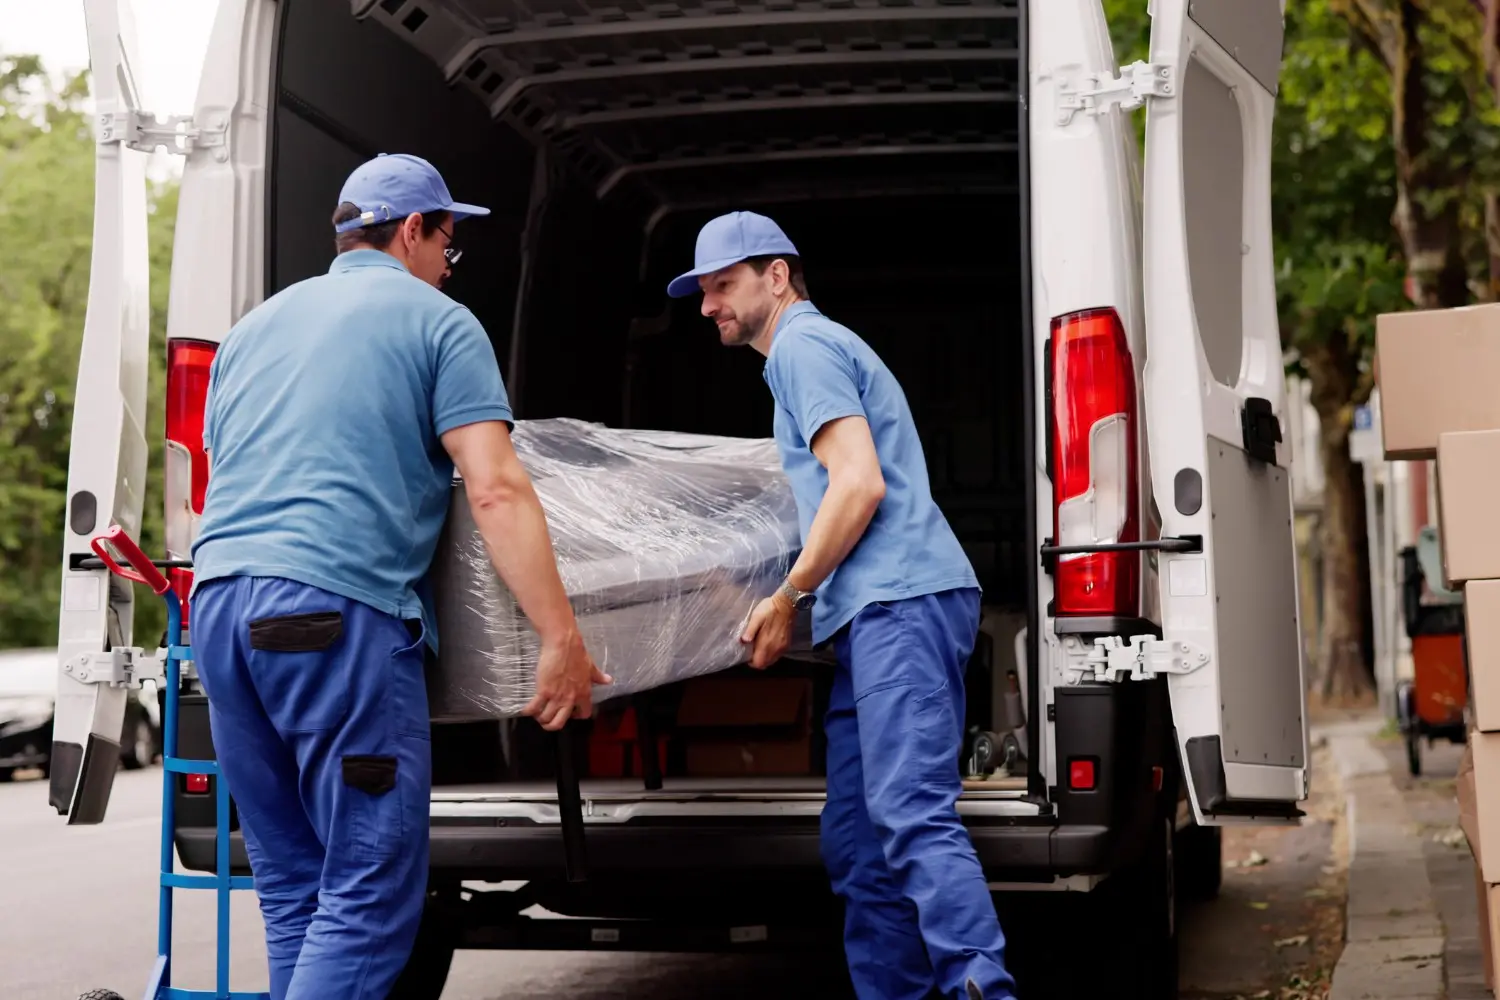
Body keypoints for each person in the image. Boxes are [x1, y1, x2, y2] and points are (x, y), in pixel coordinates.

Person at [189, 153, 608, 1000]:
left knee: (295, 888)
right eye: (450, 245)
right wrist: (560, 634)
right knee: (370, 892)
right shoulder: (438, 322)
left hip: (220, 614)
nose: (450, 267)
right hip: (331, 618)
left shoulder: (251, 328)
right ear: (413, 231)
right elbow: (493, 487)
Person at [666, 211, 1017, 1000]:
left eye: (723, 284)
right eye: (701, 291)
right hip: (873, 618)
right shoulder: (799, 357)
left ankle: (984, 991)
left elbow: (858, 483)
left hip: (903, 605)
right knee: (859, 844)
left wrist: (789, 595)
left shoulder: (804, 346)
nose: (707, 304)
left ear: (778, 276)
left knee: (911, 817)